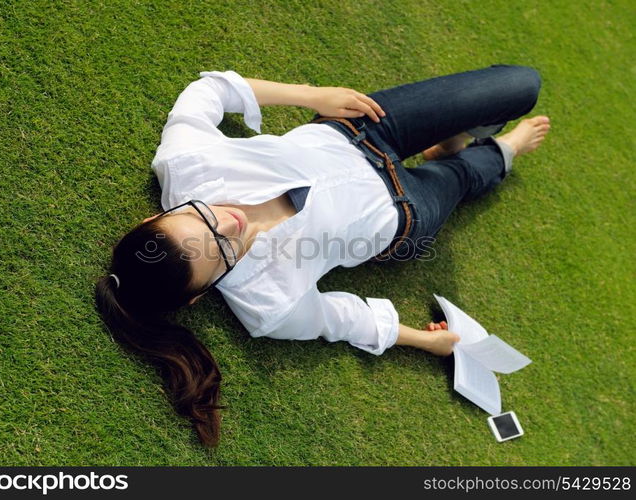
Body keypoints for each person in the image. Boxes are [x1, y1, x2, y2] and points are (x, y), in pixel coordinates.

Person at [95, 64, 550, 447]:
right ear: (202, 294)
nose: (229, 224)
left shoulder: (184, 164)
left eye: (202, 217)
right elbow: (343, 319)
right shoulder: (268, 306)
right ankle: (491, 152)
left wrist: (314, 95)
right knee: (473, 170)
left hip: (360, 130)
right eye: (223, 251)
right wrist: (427, 342)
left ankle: (451, 141)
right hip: (402, 214)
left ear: (153, 219)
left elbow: (210, 90)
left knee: (520, 86)